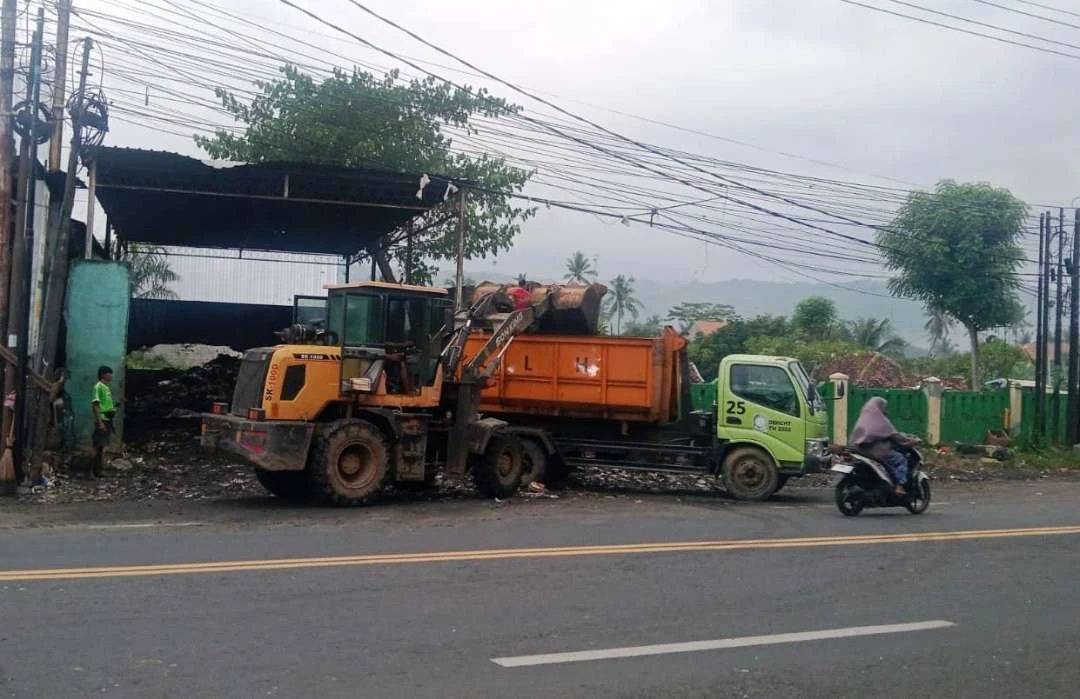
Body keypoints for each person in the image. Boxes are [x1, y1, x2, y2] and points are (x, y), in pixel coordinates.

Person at [849, 396, 918, 495]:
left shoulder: (862, 420)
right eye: (884, 407)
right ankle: (900, 486)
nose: (886, 410)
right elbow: (896, 437)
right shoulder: (881, 420)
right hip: (878, 452)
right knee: (901, 460)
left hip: (861, 451)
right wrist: (912, 441)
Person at [90, 365, 116, 479]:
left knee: (101, 447)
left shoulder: (106, 388)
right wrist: (100, 422)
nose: (111, 376)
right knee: (96, 446)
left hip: (107, 419)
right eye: (109, 373)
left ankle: (98, 470)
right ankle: (89, 471)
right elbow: (95, 405)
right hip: (102, 420)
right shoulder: (98, 387)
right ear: (103, 375)